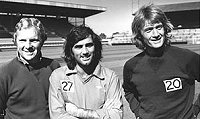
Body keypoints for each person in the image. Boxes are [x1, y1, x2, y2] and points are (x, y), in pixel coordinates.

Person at [122, 4, 200, 119]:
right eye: (148, 30)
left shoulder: (187, 58)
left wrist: (196, 108)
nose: (156, 34)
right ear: (139, 35)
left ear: (165, 28)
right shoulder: (131, 66)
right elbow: (128, 91)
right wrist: (138, 113)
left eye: (158, 27)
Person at [49, 25, 123, 119]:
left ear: (95, 47)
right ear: (71, 51)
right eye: (78, 47)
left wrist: (78, 112)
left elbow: (116, 116)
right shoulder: (58, 76)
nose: (85, 51)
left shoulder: (110, 77)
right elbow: (57, 116)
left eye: (89, 45)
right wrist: (102, 114)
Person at [0, 17, 60, 119]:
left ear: (42, 41)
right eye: (22, 40)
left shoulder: (54, 67)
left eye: (34, 40)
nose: (28, 46)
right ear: (15, 41)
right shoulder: (4, 72)